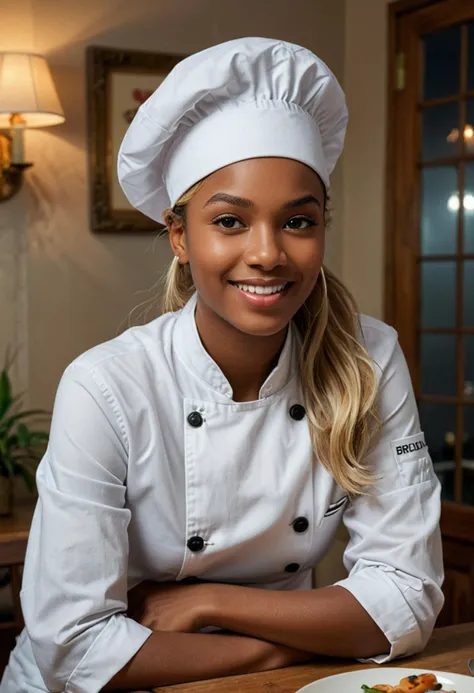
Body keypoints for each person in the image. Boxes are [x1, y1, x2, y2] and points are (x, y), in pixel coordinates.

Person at [0, 37, 444, 693]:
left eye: (298, 220)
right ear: (179, 236)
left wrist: (212, 603)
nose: (267, 253)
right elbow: (76, 648)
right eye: (231, 221)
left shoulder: (367, 357)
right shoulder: (107, 387)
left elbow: (407, 599)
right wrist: (272, 648)